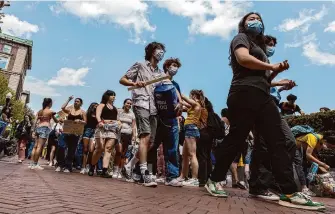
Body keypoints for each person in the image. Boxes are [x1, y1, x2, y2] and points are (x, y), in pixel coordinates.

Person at [205, 12, 324, 210]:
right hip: (244, 92)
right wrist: (271, 65)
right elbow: (243, 59)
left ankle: (289, 191)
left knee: (279, 140)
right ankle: (214, 179)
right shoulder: (240, 39)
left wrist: (277, 74)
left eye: (258, 18)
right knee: (237, 137)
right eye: (251, 18)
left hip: (263, 96)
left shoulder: (260, 48)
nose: (256, 21)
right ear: (243, 23)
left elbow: (265, 80)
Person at [119, 41, 167, 187]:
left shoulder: (160, 73)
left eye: (163, 51)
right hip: (141, 102)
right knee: (144, 136)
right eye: (159, 49)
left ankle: (129, 166)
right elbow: (122, 79)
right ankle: (145, 172)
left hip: (154, 107)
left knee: (150, 142)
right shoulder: (140, 65)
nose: (161, 53)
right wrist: (134, 84)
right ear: (152, 51)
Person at [88, 90, 120, 178]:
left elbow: (116, 119)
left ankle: (104, 170)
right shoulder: (101, 105)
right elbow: (98, 115)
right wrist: (100, 122)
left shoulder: (115, 108)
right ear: (107, 96)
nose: (114, 97)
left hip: (112, 129)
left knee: (109, 148)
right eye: (112, 95)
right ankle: (92, 167)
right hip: (102, 127)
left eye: (114, 95)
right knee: (99, 148)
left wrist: (118, 124)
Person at [178, 90, 205, 187]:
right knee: (185, 155)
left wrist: (177, 91)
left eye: (191, 95)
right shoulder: (192, 106)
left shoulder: (196, 103)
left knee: (192, 154)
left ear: (194, 95)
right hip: (188, 129)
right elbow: (182, 104)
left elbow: (184, 99)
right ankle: (182, 176)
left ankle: (194, 179)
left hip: (191, 129)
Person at [59, 96, 86, 173]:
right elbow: (62, 108)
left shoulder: (82, 112)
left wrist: (80, 121)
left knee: (71, 150)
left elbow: (85, 122)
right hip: (66, 131)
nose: (75, 102)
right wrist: (68, 99)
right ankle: (60, 164)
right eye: (75, 101)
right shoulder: (70, 110)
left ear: (81, 103)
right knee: (61, 146)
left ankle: (68, 166)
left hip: (75, 133)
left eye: (77, 101)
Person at [30, 98, 58, 170]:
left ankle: (31, 164)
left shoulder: (40, 111)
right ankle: (35, 164)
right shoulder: (51, 111)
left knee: (35, 146)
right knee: (40, 147)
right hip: (45, 128)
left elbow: (35, 120)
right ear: (50, 103)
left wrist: (33, 130)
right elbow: (56, 121)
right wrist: (54, 116)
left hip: (38, 127)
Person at [111, 99, 136, 178]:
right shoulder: (119, 111)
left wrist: (134, 135)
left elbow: (133, 126)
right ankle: (115, 170)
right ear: (124, 103)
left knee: (124, 154)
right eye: (127, 103)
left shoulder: (132, 114)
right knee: (119, 151)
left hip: (128, 134)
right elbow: (115, 120)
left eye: (130, 104)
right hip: (119, 133)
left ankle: (120, 171)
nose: (129, 105)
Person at [80, 102, 98, 174]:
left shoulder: (98, 115)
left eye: (97, 106)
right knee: (85, 149)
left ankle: (88, 166)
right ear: (91, 106)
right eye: (94, 106)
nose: (96, 107)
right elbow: (85, 122)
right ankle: (83, 167)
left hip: (94, 132)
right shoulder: (87, 114)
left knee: (91, 150)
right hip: (87, 130)